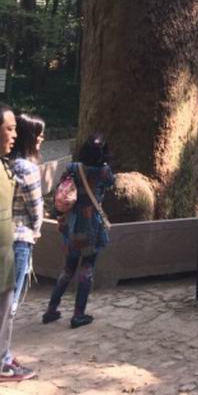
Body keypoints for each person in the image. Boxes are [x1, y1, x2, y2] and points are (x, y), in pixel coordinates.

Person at [42, 134, 114, 329]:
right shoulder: (104, 172)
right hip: (91, 226)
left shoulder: (72, 168)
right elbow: (110, 183)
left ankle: (51, 310)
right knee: (87, 268)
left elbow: (61, 187)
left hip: (71, 224)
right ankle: (78, 314)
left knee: (68, 268)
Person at [0, 103, 35, 383]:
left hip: (6, 257)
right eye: (9, 129)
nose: (14, 135)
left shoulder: (5, 166)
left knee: (5, 311)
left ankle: (3, 357)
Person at [9, 114, 45, 318]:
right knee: (11, 301)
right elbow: (36, 207)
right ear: (30, 137)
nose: (42, 139)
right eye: (39, 135)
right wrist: (37, 231)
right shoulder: (27, 168)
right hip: (20, 238)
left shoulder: (6, 163)